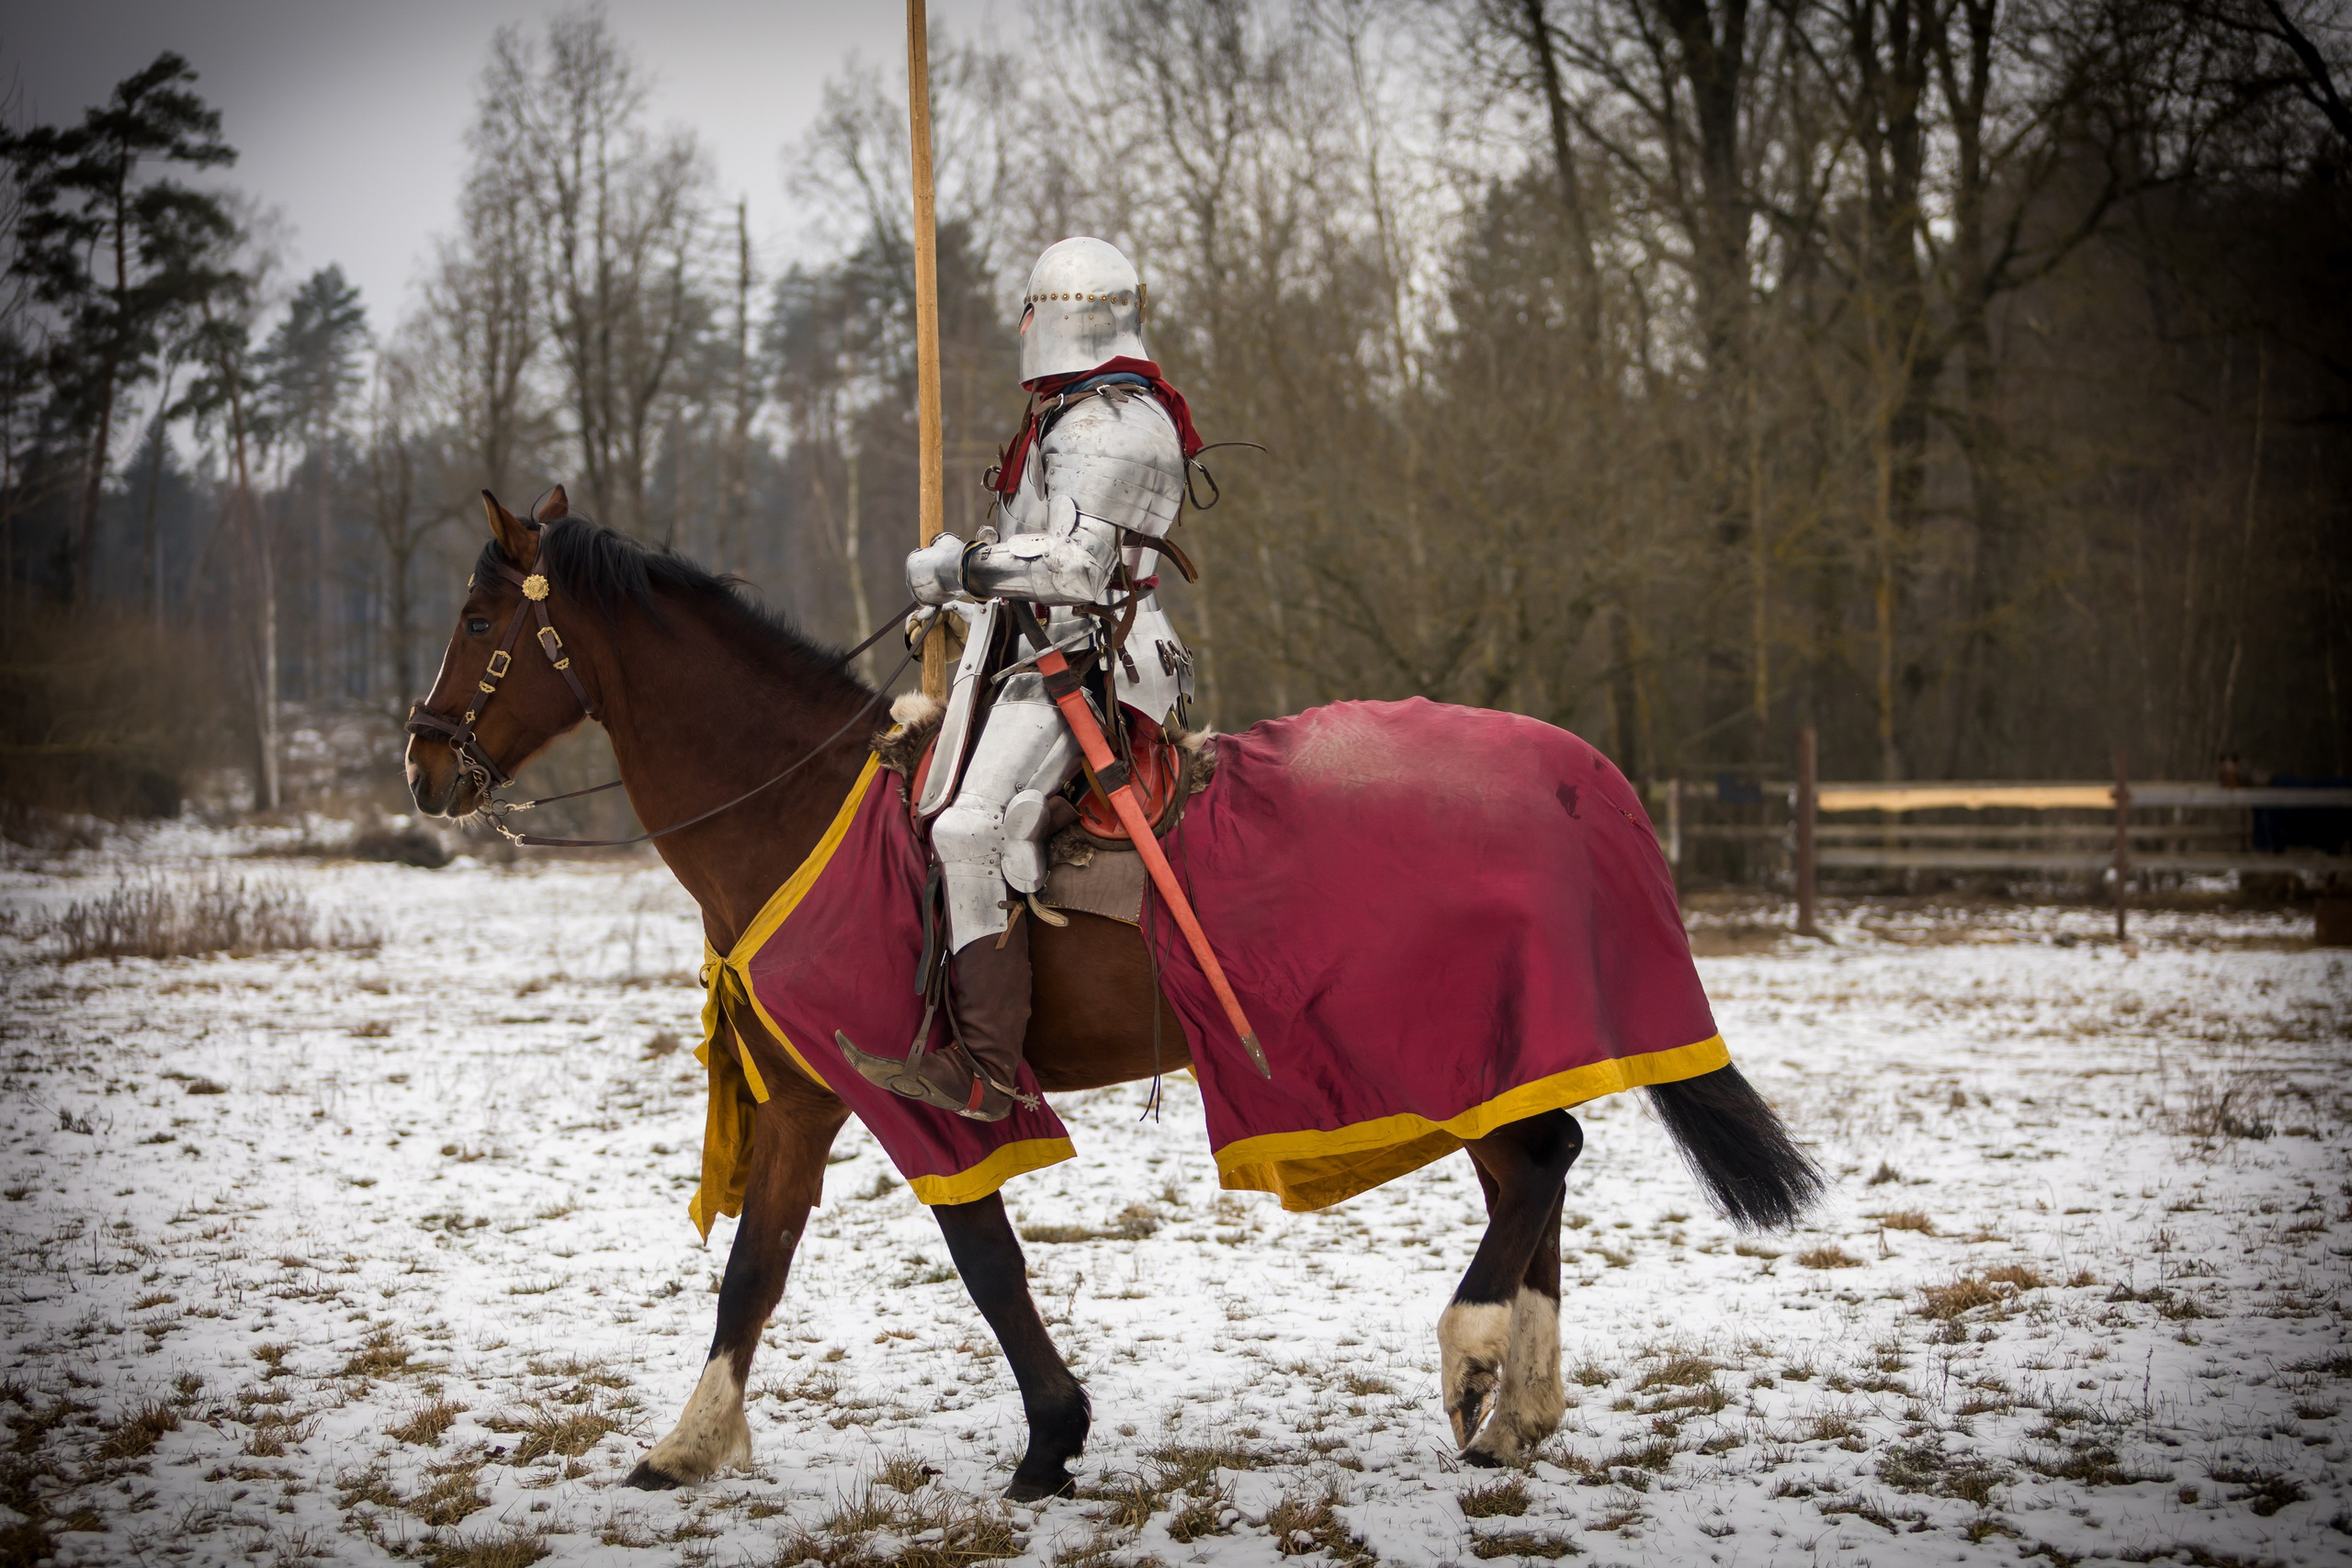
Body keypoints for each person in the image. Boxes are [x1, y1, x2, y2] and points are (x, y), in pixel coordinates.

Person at [848, 236, 1200, 1120]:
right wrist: (961, 608)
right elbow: (1034, 563)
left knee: (969, 830)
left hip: (1093, 665)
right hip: (1039, 653)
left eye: (1031, 311)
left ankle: (987, 1068)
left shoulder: (1109, 424)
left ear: (1057, 317)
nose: (1022, 328)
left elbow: (1078, 568)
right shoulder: (1065, 417)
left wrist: (958, 570)